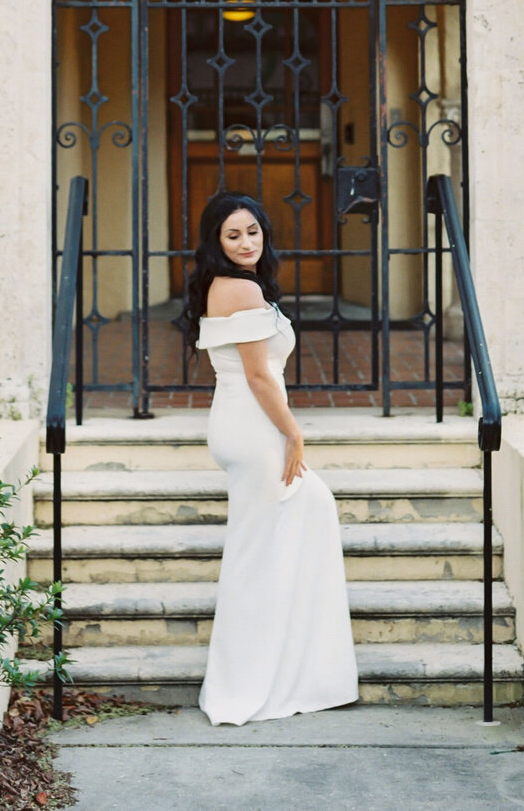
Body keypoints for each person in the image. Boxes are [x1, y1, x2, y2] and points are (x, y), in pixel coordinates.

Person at [177, 191, 359, 725]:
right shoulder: (240, 291)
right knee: (259, 555)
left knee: (287, 533)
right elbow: (259, 375)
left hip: (242, 423)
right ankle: (248, 683)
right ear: (216, 241)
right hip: (254, 428)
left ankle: (288, 668)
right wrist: (294, 434)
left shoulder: (229, 287)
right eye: (232, 235)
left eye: (252, 231)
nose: (245, 242)